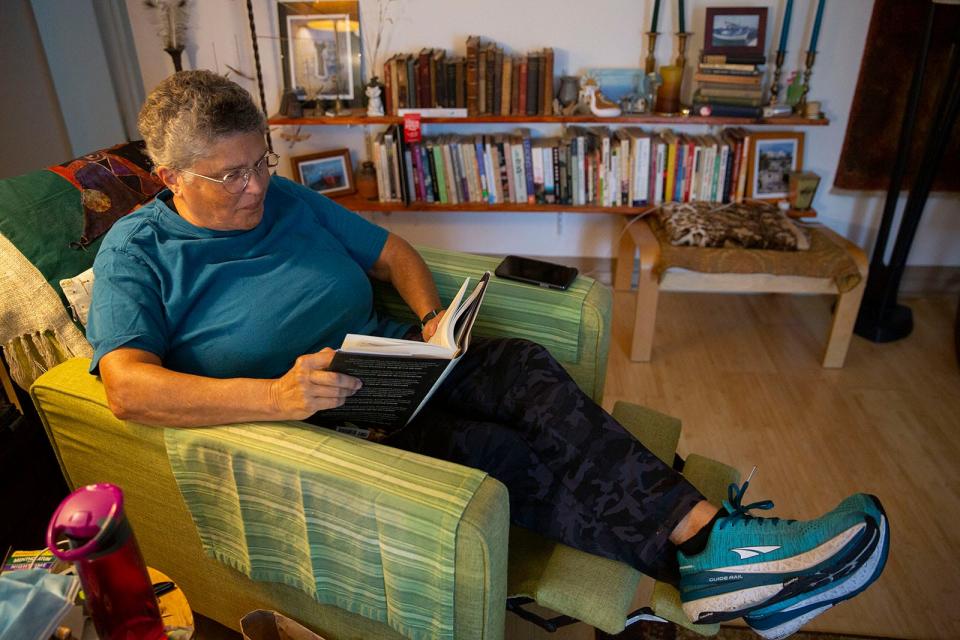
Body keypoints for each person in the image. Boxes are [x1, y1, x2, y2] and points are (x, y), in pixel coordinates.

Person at [87, 70, 888, 639]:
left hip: (398, 365)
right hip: (316, 421)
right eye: (231, 176)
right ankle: (722, 560)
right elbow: (127, 389)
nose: (257, 186)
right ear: (170, 177)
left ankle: (720, 558)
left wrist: (433, 318)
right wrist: (276, 399)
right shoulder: (140, 252)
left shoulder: (290, 197)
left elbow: (393, 252)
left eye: (262, 161)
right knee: (503, 457)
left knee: (527, 370)